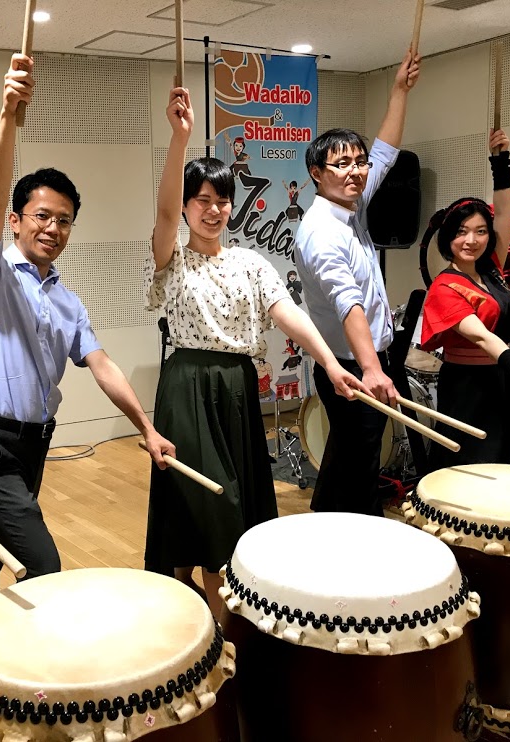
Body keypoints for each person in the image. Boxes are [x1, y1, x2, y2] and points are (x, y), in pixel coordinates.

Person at [0, 53, 175, 620]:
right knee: (42, 561)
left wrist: (147, 428)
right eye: (41, 216)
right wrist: (8, 114)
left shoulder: (67, 300)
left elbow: (101, 364)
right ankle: (35, 660)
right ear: (16, 220)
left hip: (35, 440)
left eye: (64, 220)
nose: (53, 228)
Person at [146, 86, 369, 617]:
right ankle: (208, 616)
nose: (214, 210)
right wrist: (179, 138)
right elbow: (163, 212)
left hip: (237, 386)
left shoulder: (250, 263)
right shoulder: (172, 258)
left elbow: (289, 314)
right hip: (188, 385)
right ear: (187, 206)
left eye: (222, 201)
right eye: (202, 200)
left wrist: (331, 363)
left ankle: (201, 602)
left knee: (237, 497)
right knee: (206, 498)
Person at [294, 49, 420, 517]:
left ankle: (323, 519)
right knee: (362, 463)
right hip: (349, 366)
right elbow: (348, 304)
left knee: (347, 452)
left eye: (358, 162)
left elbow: (385, 152)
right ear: (317, 174)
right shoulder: (322, 232)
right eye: (342, 164)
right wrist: (372, 369)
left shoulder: (352, 204)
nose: (356, 171)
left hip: (367, 358)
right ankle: (366, 537)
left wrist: (399, 90)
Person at [421, 130, 510, 469]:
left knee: (500, 462)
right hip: (466, 388)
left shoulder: (491, 269)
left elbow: (505, 214)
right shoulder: (444, 287)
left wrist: (501, 161)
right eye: (461, 232)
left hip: (500, 380)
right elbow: (483, 337)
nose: (471, 240)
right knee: (467, 469)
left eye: (480, 231)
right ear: (448, 238)